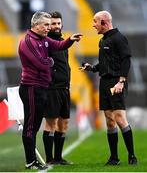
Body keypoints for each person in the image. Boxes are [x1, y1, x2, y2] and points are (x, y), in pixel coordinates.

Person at [18, 11, 82, 170]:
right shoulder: (28, 41)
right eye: (46, 25)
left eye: (50, 24)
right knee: (30, 127)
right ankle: (30, 162)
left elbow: (58, 45)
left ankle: (34, 161)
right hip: (31, 88)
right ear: (36, 25)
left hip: (41, 88)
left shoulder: (43, 39)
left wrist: (70, 41)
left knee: (35, 126)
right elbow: (41, 63)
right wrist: (50, 61)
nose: (49, 28)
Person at [80, 10, 138, 165]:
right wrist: (92, 68)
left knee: (119, 117)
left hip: (116, 82)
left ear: (104, 22)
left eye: (95, 22)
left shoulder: (119, 38)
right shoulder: (103, 40)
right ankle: (114, 158)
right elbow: (105, 63)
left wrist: (121, 81)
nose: (93, 25)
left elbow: (126, 61)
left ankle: (132, 156)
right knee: (109, 120)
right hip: (104, 82)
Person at [43, 11, 72, 165]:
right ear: (48, 26)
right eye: (53, 23)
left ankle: (59, 158)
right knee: (51, 123)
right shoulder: (45, 43)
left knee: (64, 122)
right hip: (52, 89)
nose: (56, 26)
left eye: (58, 23)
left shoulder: (63, 42)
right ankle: (49, 159)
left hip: (65, 88)